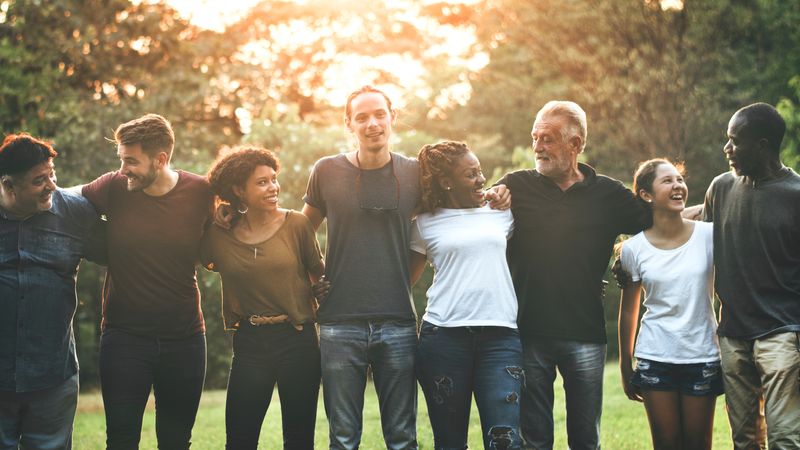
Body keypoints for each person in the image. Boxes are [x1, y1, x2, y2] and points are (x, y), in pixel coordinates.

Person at [496, 100, 647, 450]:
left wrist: (712, 210)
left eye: (547, 139)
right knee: (534, 439)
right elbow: (476, 214)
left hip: (585, 334)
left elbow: (660, 223)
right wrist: (492, 195)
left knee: (585, 439)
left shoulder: (608, 194)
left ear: (575, 144)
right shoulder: (515, 186)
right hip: (528, 332)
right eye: (535, 137)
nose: (537, 147)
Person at [81, 114, 212, 449]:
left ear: (161, 159)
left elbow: (221, 236)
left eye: (131, 161)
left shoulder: (199, 191)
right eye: (121, 160)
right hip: (125, 339)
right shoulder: (114, 186)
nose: (123, 168)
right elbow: (64, 201)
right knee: (121, 440)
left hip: (184, 340)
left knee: (175, 440)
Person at [302, 86, 421, 450]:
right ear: (349, 124)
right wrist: (314, 277)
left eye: (380, 114)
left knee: (402, 438)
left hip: (398, 322)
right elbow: (301, 231)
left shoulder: (416, 173)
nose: (373, 124)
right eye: (362, 117)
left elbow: (423, 243)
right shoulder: (326, 170)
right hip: (339, 323)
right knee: (342, 438)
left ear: (392, 117)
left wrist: (401, 281)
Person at [201, 147, 324, 449]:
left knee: (298, 440)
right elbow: (187, 228)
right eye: (262, 182)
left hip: (297, 339)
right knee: (240, 440)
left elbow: (319, 276)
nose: (273, 188)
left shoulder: (297, 224)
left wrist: (319, 294)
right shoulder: (218, 235)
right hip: (250, 342)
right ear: (238, 190)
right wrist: (214, 213)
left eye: (273, 179)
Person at [410, 141, 522, 450]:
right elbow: (404, 279)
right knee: (449, 442)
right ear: (447, 182)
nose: (481, 179)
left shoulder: (502, 213)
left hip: (501, 339)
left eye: (481, 171)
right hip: (444, 339)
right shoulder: (423, 223)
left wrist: (503, 194)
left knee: (506, 440)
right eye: (471, 174)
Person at [703, 103, 799, 449]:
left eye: (734, 141)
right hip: (732, 334)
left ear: (762, 145)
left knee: (785, 437)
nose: (726, 149)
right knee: (743, 439)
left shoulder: (796, 195)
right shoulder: (720, 188)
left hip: (782, 334)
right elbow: (695, 241)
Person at [0, 134, 98, 449]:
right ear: (8, 185)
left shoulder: (75, 213)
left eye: (52, 174)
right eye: (39, 180)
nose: (52, 185)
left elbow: (129, 245)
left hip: (53, 374)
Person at [617, 159, 722, 450]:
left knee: (698, 443)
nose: (678, 185)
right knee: (666, 443)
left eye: (680, 180)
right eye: (667, 181)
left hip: (701, 354)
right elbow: (628, 311)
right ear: (646, 195)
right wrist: (626, 366)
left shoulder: (709, 236)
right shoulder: (633, 249)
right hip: (655, 356)